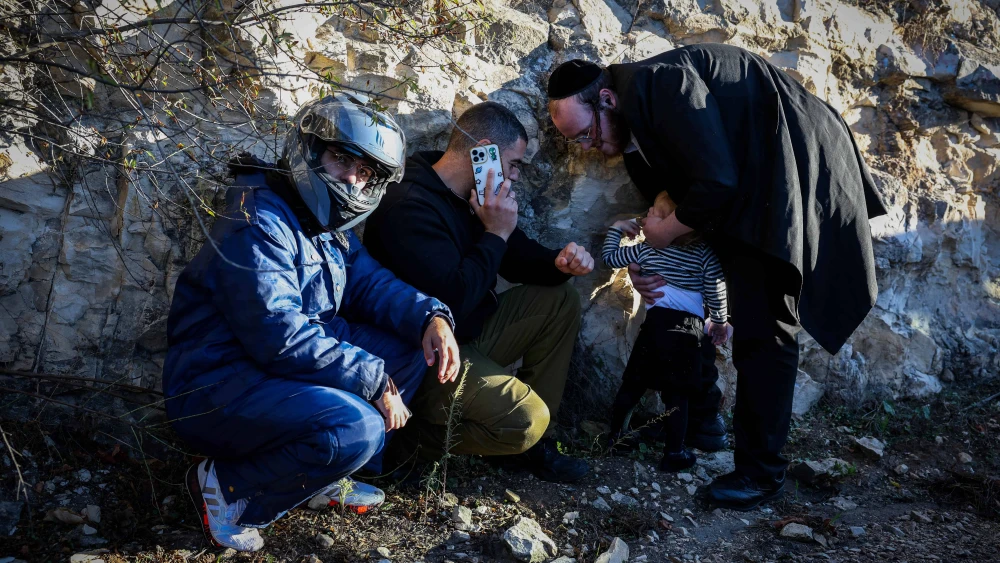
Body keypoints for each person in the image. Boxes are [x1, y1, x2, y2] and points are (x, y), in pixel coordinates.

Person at [547, 44, 887, 510]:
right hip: (752, 185)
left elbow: (716, 183)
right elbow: (681, 216)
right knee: (714, 310)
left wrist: (667, 230)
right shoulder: (633, 133)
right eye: (575, 143)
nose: (587, 148)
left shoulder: (658, 83)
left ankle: (760, 473)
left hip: (793, 162)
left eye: (585, 134)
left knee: (763, 326)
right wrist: (649, 262)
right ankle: (707, 425)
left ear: (605, 99)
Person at [163, 92, 460, 551]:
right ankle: (228, 488)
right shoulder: (258, 219)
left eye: (366, 174)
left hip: (266, 372)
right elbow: (277, 333)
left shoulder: (320, 226)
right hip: (216, 384)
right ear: (309, 149)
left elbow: (371, 284)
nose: (352, 182)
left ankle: (313, 477)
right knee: (358, 426)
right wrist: (371, 378)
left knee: (409, 351)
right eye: (343, 160)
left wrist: (431, 317)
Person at [363, 101, 594, 483]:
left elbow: (513, 255)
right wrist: (495, 233)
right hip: (424, 360)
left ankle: (530, 448)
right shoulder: (407, 207)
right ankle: (408, 445)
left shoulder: (469, 193)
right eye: (514, 163)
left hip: (470, 334)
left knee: (560, 298)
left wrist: (559, 262)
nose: (516, 176)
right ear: (482, 151)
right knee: (526, 419)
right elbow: (451, 299)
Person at [601, 191, 731, 472]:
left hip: (656, 327)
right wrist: (720, 321)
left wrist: (616, 229)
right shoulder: (704, 254)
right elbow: (717, 286)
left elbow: (610, 257)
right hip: (690, 329)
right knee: (677, 395)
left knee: (633, 384)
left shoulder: (646, 250)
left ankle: (615, 437)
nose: (646, 213)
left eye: (653, 212)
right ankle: (674, 453)